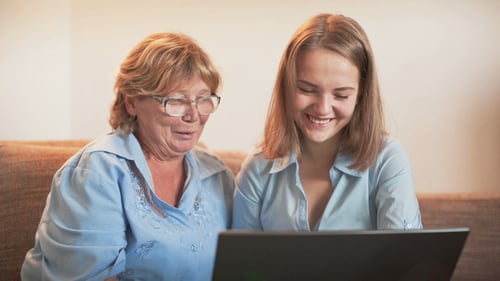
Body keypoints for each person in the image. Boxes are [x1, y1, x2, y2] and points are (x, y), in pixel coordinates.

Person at [21, 32, 234, 281]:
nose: (193, 115)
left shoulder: (217, 175)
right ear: (132, 101)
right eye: (176, 100)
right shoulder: (98, 172)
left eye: (203, 99)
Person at [232, 13, 422, 231]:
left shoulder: (387, 161)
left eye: (341, 95)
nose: (322, 108)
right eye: (306, 89)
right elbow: (242, 262)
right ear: (286, 86)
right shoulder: (258, 170)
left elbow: (401, 258)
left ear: (361, 95)